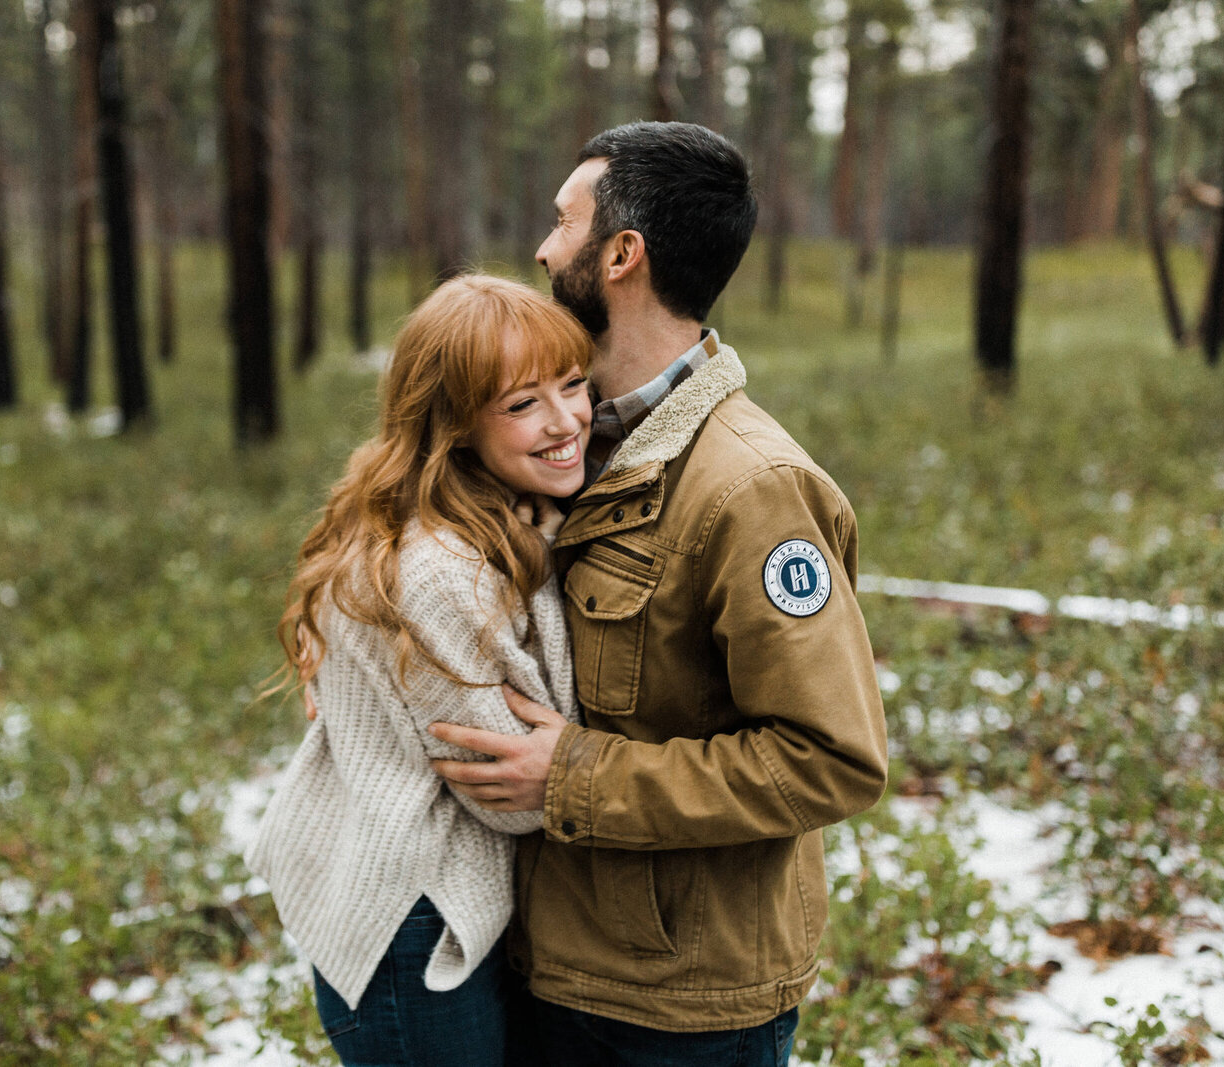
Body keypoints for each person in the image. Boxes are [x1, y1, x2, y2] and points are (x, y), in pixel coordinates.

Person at [427, 122, 890, 1065]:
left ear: (622, 254)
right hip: (549, 956)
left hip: (678, 1012)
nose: (545, 246)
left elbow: (830, 758)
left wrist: (576, 776)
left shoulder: (751, 489)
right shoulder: (563, 438)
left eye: (564, 221)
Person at [243, 274, 593, 1066]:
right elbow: (511, 796)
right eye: (522, 403)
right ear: (455, 423)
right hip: (414, 931)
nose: (566, 418)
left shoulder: (458, 517)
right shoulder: (444, 568)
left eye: (573, 384)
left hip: (419, 909)